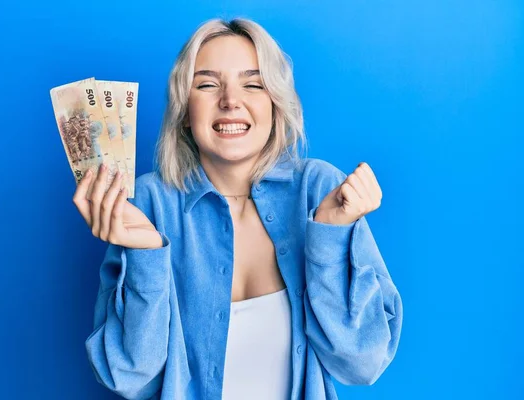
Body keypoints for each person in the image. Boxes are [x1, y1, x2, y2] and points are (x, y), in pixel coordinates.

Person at [76, 17, 403, 400]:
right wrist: (146, 257)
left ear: (275, 103)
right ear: (184, 109)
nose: (231, 101)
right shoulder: (147, 203)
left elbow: (361, 364)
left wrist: (329, 237)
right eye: (208, 84)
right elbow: (131, 378)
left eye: (253, 84)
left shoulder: (320, 191)